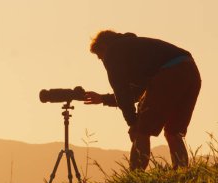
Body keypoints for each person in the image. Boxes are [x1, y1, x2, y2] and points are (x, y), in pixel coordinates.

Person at [84, 30, 201, 170]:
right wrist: (104, 99)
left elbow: (122, 91)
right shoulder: (134, 49)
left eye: (100, 57)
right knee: (173, 131)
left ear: (103, 47)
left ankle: (135, 178)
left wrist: (132, 122)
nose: (102, 60)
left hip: (170, 72)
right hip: (191, 71)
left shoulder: (112, 52)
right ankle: (182, 173)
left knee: (141, 130)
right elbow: (137, 93)